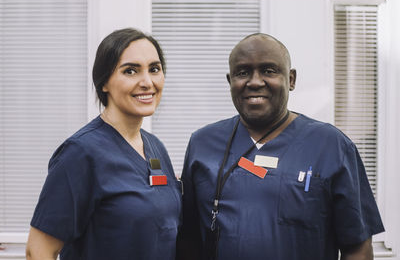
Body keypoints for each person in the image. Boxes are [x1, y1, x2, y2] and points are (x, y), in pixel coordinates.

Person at [177, 33, 384, 260]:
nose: (255, 82)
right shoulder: (202, 144)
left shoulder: (332, 146)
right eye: (243, 72)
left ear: (291, 79)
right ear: (230, 81)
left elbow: (358, 248)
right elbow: (189, 240)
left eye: (269, 70)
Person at [25, 28, 182, 260]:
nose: (147, 82)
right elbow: (38, 251)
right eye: (131, 71)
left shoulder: (155, 148)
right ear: (104, 82)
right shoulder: (80, 153)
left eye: (154, 69)